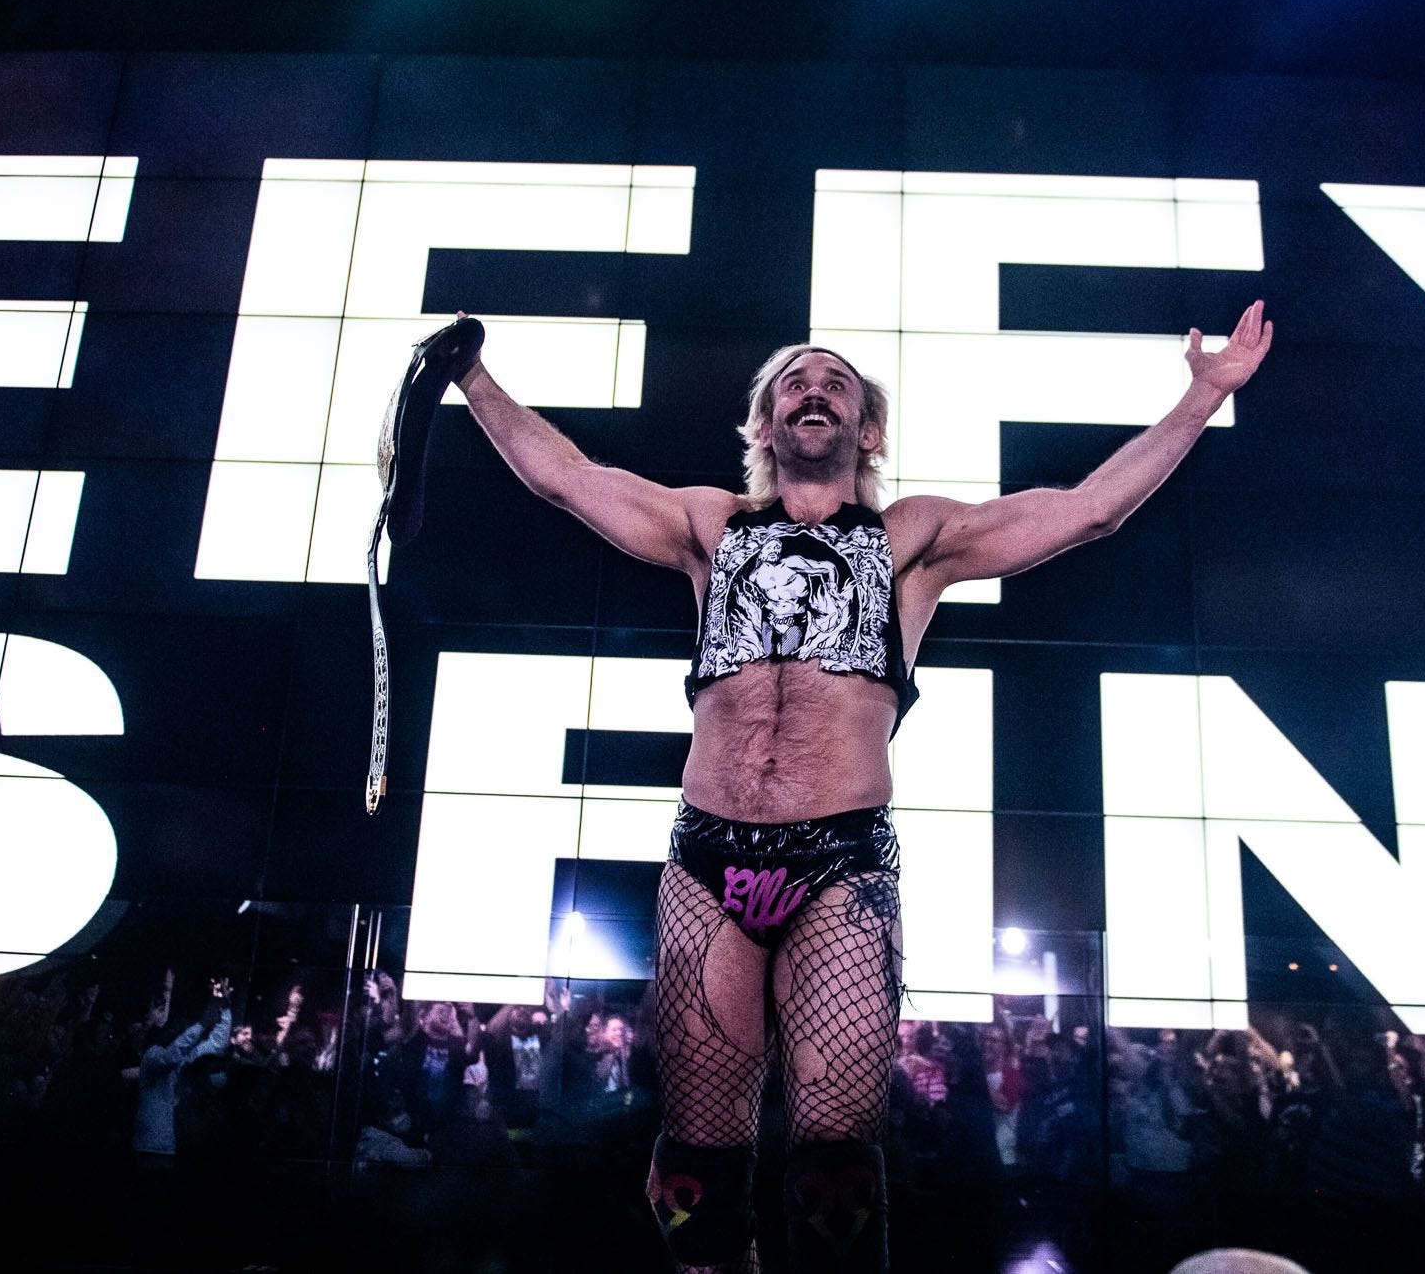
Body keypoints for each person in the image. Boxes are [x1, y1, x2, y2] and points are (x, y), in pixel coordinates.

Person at [448, 301, 1272, 1273]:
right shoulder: (707, 527)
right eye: (793, 379)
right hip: (706, 857)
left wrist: (1198, 399)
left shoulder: (912, 538)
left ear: (865, 429)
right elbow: (566, 479)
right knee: (700, 1154)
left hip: (840, 865)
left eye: (835, 381)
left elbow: (1088, 510)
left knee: (835, 1150)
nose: (813, 387)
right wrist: (471, 378)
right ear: (762, 425)